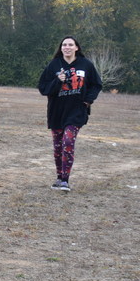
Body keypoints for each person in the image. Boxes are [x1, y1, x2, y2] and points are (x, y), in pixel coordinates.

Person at [38, 35, 102, 192]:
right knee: (58, 146)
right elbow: (43, 88)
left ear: (76, 47)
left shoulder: (85, 64)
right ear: (61, 48)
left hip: (76, 112)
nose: (67, 47)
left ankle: (65, 180)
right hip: (56, 112)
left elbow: (96, 84)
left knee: (68, 142)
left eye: (70, 44)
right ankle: (59, 178)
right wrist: (57, 80)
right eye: (64, 45)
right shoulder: (54, 65)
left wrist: (88, 101)